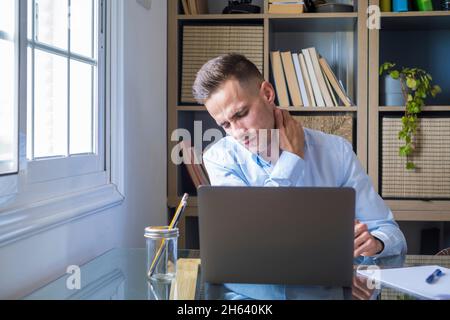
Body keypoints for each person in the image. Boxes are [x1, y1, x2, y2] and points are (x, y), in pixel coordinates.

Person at [193, 53, 407, 260]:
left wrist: (375, 243)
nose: (238, 131)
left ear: (267, 93)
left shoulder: (337, 152)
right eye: (225, 125)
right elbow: (249, 236)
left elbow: (391, 233)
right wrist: (291, 160)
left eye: (241, 114)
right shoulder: (220, 158)